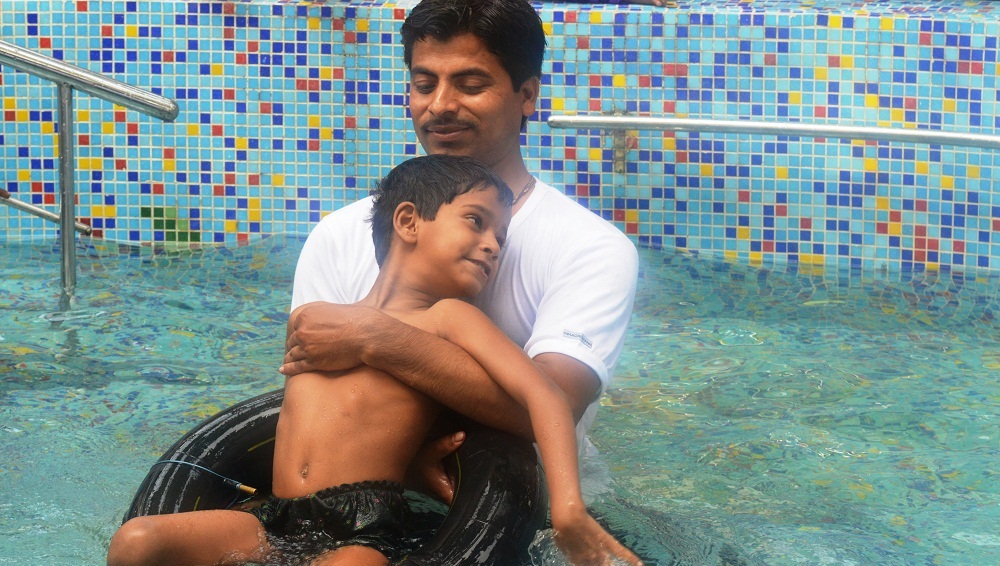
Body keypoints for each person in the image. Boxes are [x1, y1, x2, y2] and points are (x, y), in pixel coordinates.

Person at [106, 155, 641, 566]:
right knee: (137, 542)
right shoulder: (315, 320)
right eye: (476, 222)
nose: (493, 245)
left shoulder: (449, 320)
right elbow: (324, 422)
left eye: (499, 237)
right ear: (408, 221)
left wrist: (567, 509)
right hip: (278, 514)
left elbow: (545, 394)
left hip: (361, 527)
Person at [284, 0, 639, 501]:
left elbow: (552, 404)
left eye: (470, 85)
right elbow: (311, 394)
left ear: (527, 95)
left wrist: (375, 338)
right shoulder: (341, 234)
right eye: (424, 84)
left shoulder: (590, 248)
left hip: (525, 509)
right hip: (369, 496)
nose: (440, 105)